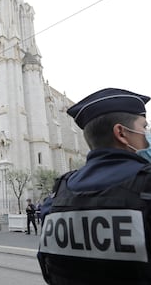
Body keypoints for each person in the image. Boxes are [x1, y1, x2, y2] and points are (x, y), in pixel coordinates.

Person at [38, 88, 151, 284]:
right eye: (144, 127)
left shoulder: (55, 200)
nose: (146, 135)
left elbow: (48, 268)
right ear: (121, 133)